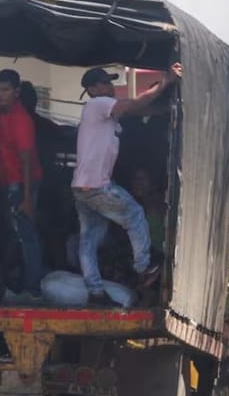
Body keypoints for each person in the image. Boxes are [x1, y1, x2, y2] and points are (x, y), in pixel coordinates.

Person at [71, 63, 183, 306]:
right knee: (134, 213)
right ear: (92, 89)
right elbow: (133, 105)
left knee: (89, 240)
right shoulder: (98, 105)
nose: (110, 86)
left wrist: (164, 107)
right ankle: (144, 268)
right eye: (104, 83)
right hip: (97, 186)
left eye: (110, 82)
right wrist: (166, 81)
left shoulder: (101, 114)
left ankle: (96, 291)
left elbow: (137, 111)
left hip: (82, 187)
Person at [0, 69, 45, 298]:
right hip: (7, 181)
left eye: (6, 90)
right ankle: (17, 282)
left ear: (17, 92)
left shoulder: (21, 120)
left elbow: (27, 161)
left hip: (22, 183)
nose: (1, 95)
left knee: (26, 236)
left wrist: (26, 199)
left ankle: (33, 288)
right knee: (13, 234)